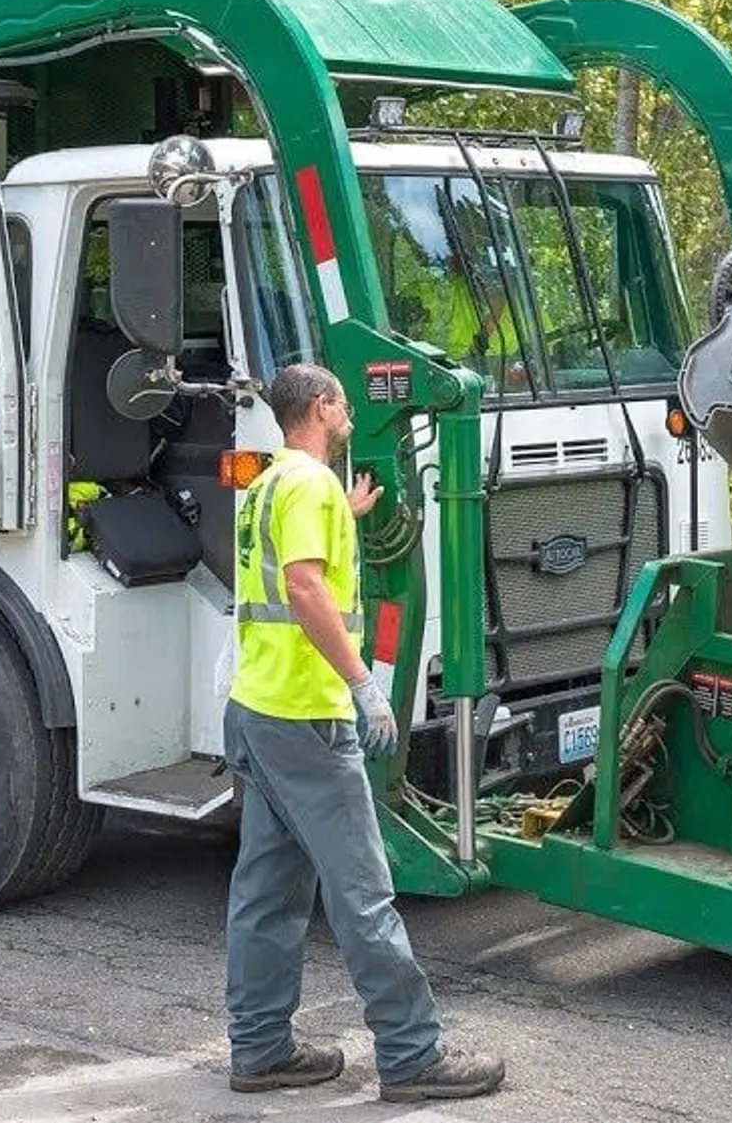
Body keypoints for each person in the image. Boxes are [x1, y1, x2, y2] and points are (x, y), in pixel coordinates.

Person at [222, 362, 506, 1103]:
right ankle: (412, 1055)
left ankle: (259, 1048)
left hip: (257, 706)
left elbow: (287, 561)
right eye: (344, 403)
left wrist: (342, 510)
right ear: (321, 406)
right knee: (363, 889)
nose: (351, 413)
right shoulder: (310, 486)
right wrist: (360, 682)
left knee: (268, 887)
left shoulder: (267, 486)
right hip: (307, 715)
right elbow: (305, 585)